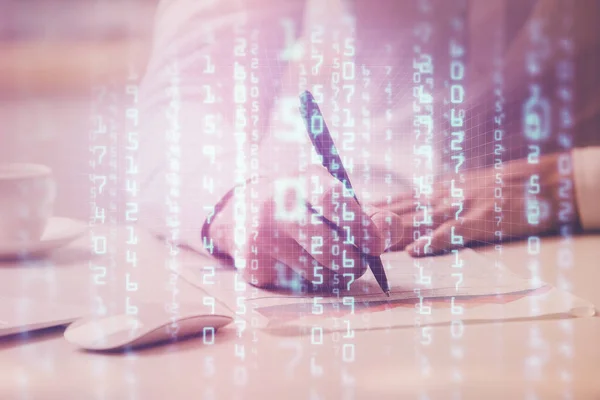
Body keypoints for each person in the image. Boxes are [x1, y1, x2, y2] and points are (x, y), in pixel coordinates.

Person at [136, 0, 600, 292]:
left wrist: (577, 180)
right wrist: (236, 204)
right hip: (334, 253)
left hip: (572, 246)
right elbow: (182, 98)